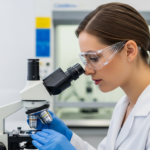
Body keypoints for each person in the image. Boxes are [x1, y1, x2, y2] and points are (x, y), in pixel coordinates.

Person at [29, 2, 150, 150]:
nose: (87, 71)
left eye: (94, 58)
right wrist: (69, 138)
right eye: (85, 60)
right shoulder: (123, 106)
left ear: (129, 51)